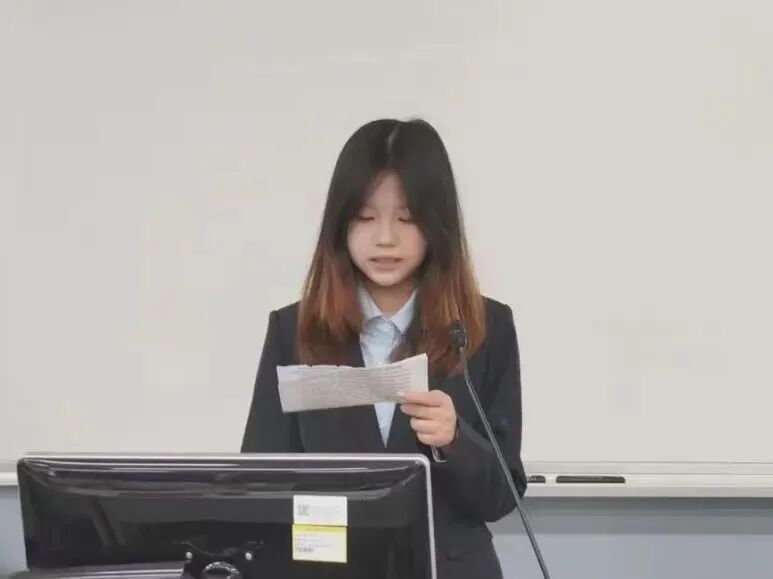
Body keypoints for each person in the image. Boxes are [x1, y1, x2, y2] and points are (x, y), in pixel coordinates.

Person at [241, 118, 527, 579]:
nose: (386, 238)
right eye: (365, 217)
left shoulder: (483, 326)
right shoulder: (293, 330)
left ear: (436, 225)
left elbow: (501, 497)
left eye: (407, 218)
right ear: (340, 224)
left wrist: (456, 440)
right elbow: (260, 485)